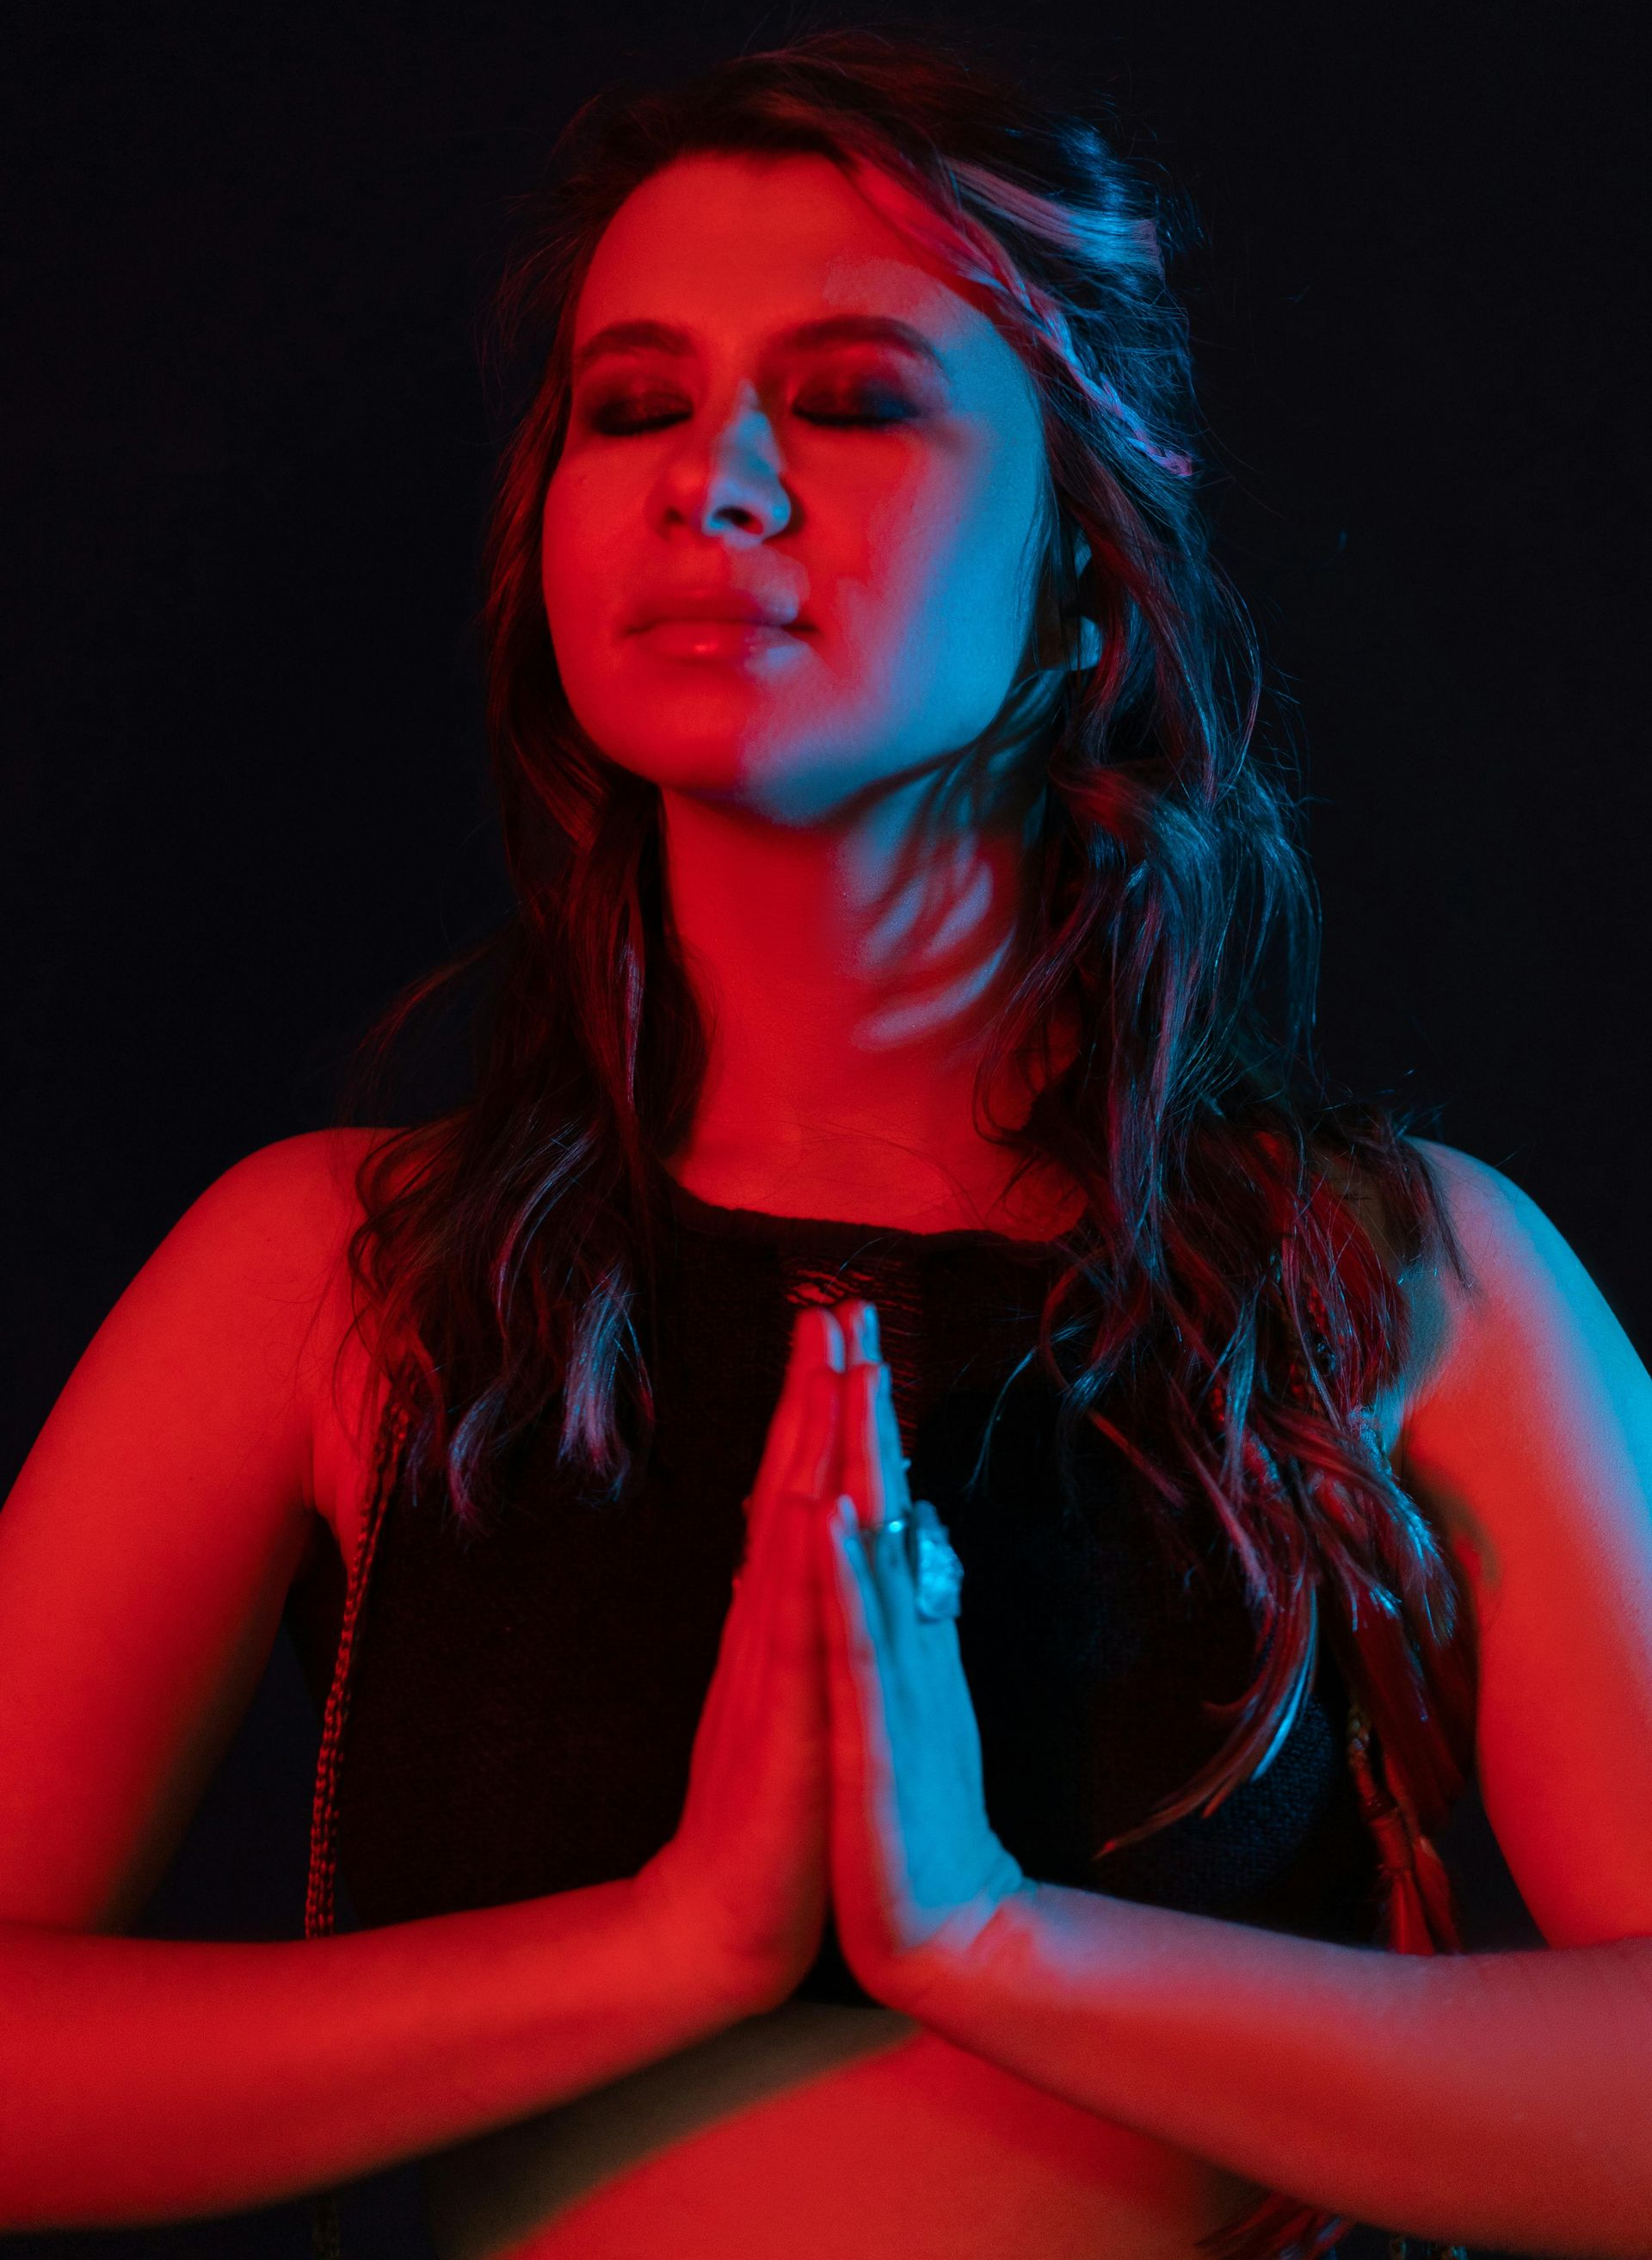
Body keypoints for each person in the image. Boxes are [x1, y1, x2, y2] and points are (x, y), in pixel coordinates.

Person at [3, 27, 1649, 2260]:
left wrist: (990, 1942)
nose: (721, 481)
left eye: (855, 400)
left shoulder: (1406, 1290)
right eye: (636, 402)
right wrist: (667, 1946)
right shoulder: (335, 1283)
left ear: (1085, 563)